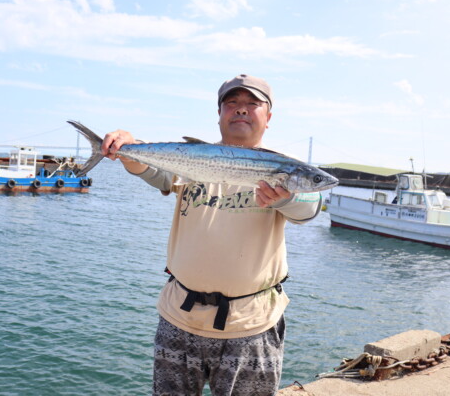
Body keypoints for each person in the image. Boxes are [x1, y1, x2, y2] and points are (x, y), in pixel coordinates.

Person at [101, 74, 322, 396]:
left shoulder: (283, 169)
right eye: (232, 103)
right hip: (179, 315)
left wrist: (286, 197)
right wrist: (127, 151)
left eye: (252, 104)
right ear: (219, 114)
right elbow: (157, 174)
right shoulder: (191, 156)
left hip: (250, 324)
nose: (241, 110)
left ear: (268, 117)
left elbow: (309, 207)